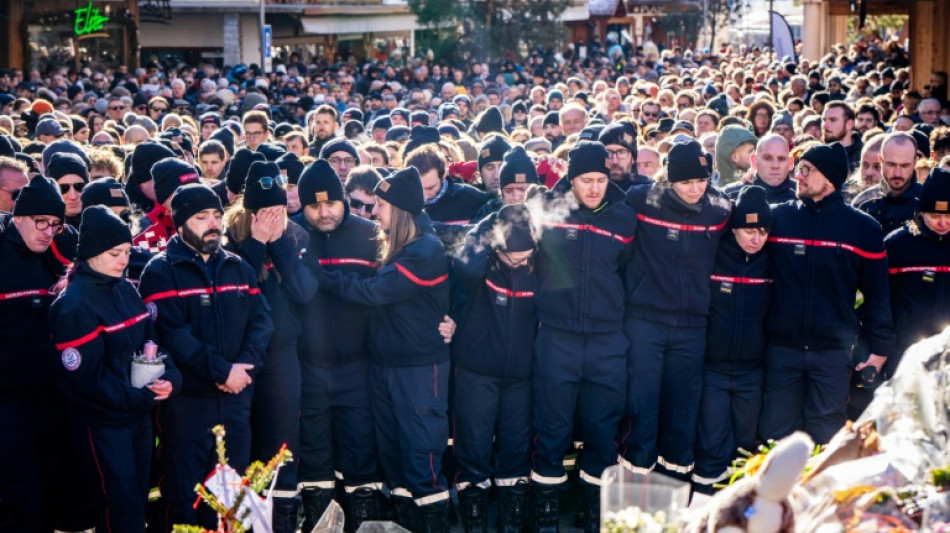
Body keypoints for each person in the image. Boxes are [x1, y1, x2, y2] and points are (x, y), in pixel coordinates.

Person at [317, 167, 453, 533]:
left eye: (380, 205)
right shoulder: (400, 241)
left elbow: (374, 292)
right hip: (385, 366)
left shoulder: (424, 249)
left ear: (402, 209)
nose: (374, 212)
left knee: (421, 461)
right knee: (395, 464)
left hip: (419, 370)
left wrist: (318, 273)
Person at [138, 183, 274, 529]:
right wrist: (222, 370)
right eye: (201, 217)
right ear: (180, 222)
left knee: (237, 497)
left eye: (216, 215)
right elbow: (174, 336)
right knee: (183, 494)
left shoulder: (238, 267)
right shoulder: (159, 271)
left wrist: (243, 369)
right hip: (188, 406)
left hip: (236, 399)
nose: (213, 223)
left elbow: (262, 322)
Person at [50, 206, 181, 533]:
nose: (123, 260)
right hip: (104, 423)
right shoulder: (74, 303)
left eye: (126, 252)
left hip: (136, 417)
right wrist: (142, 399)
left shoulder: (124, 288)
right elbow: (86, 379)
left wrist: (169, 378)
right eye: (114, 253)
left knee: (137, 500)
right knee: (118, 505)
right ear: (92, 253)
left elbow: (152, 342)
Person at [530, 141, 636, 533]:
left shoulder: (624, 218)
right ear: (571, 180)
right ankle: (545, 514)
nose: (594, 188)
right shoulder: (549, 211)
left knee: (602, 430)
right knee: (552, 427)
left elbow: (625, 268)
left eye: (601, 180)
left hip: (607, 340)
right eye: (586, 180)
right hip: (558, 336)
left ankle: (594, 511)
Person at [759, 142, 895, 445]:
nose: (798, 175)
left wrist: (880, 348)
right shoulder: (778, 218)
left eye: (807, 169)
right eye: (799, 168)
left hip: (833, 355)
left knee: (827, 436)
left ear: (830, 178)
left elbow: (877, 296)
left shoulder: (863, 228)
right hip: (782, 350)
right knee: (775, 437)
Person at [620, 140, 732, 481]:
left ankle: (674, 483)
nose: (695, 189)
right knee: (642, 405)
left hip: (692, 325)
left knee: (682, 408)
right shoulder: (642, 200)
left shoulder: (719, 208)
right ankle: (636, 481)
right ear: (669, 179)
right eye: (686, 182)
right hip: (645, 320)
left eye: (701, 181)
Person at [223, 161, 319, 532]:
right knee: (241, 444)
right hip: (241, 356)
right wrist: (256, 242)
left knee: (282, 444)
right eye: (265, 212)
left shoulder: (294, 236)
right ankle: (244, 521)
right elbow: (234, 293)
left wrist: (278, 243)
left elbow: (305, 291)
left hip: (282, 353)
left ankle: (282, 523)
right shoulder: (231, 236)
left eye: (278, 210)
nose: (273, 218)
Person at [291, 159, 385, 532]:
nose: (324, 212)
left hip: (359, 365)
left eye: (331, 203)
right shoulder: (291, 234)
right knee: (314, 459)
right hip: (307, 367)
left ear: (344, 200)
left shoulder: (370, 234)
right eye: (314, 206)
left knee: (361, 454)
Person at [452, 204, 538, 533]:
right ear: (496, 247)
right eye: (513, 258)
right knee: (473, 448)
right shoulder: (482, 264)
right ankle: (474, 522)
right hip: (477, 371)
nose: (521, 263)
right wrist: (491, 221)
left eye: (527, 256)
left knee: (516, 450)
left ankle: (511, 521)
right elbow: (464, 263)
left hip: (522, 376)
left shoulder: (536, 261)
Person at [0, 175, 76, 532]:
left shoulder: (54, 257)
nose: (48, 231)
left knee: (49, 495)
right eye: (40, 222)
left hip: (52, 399)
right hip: (10, 403)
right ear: (18, 217)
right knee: (21, 497)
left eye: (55, 224)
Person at [692, 186, 772, 492]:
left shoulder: (771, 263)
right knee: (711, 443)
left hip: (752, 372)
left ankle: (738, 512)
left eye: (763, 231)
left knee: (745, 447)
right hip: (713, 369)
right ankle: (703, 508)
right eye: (749, 230)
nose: (756, 239)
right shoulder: (714, 257)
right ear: (734, 228)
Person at [884, 167, 950, 375]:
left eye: (949, 215)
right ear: (921, 212)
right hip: (905, 354)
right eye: (934, 215)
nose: (942, 223)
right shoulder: (897, 244)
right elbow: (874, 297)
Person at [856, 132, 921, 236]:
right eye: (891, 164)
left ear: (915, 163)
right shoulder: (863, 202)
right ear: (881, 160)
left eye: (904, 166)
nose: (897, 173)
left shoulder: (928, 203)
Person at [724, 134, 796, 204]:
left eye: (781, 159)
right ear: (754, 161)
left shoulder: (802, 196)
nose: (775, 165)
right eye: (767, 158)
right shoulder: (731, 195)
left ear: (790, 163)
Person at [599, 121, 651, 190]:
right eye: (608, 152)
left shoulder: (649, 191)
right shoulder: (589, 189)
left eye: (622, 152)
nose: (615, 161)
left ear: (633, 158)